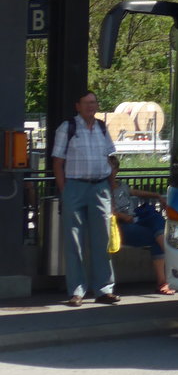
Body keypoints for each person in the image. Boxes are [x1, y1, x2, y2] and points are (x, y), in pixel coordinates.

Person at [51, 90, 121, 306]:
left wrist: (110, 184)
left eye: (94, 102)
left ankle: (104, 290)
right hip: (75, 187)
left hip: (100, 188)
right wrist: (65, 191)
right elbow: (57, 162)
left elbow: (111, 158)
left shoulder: (101, 127)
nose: (91, 106)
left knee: (102, 240)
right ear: (77, 106)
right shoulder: (68, 128)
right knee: (74, 242)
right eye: (87, 103)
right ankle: (77, 291)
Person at [112, 180, 175, 295]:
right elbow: (103, 210)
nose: (114, 171)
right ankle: (164, 277)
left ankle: (163, 280)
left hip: (135, 218)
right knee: (155, 236)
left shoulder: (122, 185)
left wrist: (157, 195)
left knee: (156, 220)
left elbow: (136, 192)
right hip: (119, 225)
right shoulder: (101, 189)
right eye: (111, 167)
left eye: (116, 167)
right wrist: (122, 216)